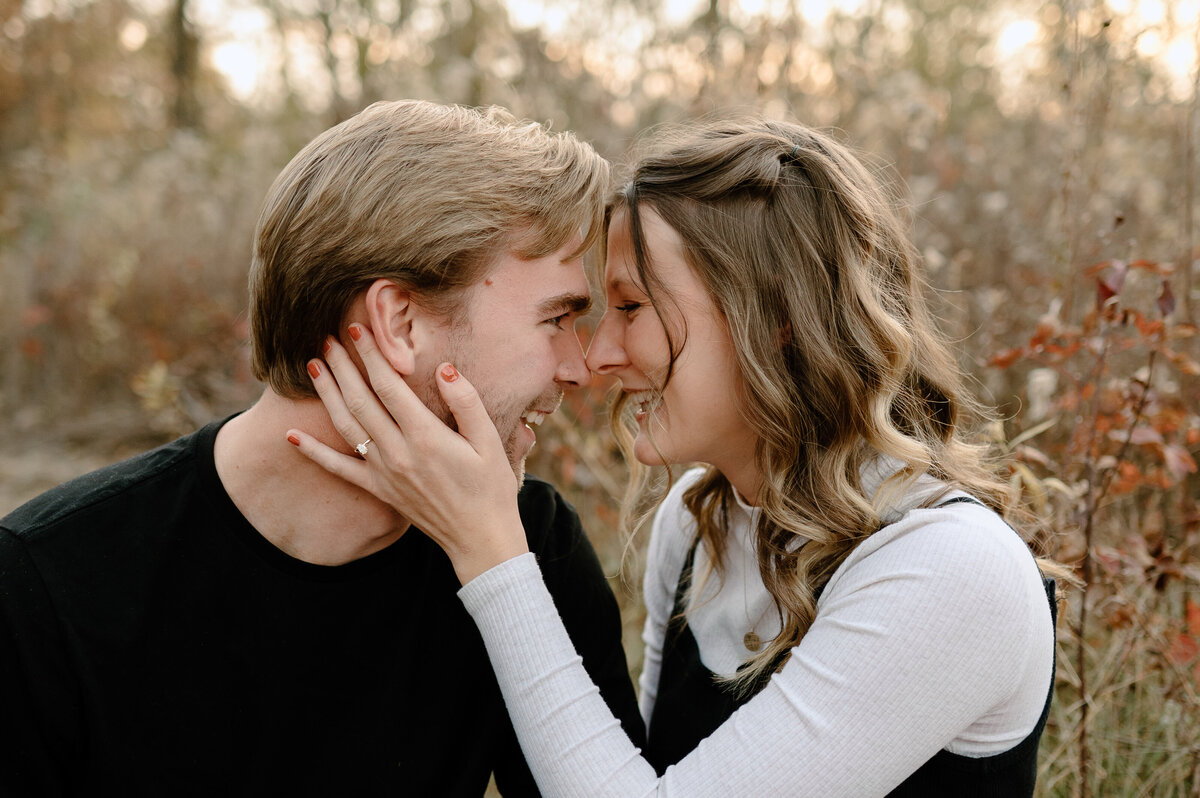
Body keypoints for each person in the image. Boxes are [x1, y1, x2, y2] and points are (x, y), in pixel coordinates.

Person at [293, 117, 1064, 797]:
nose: (596, 357)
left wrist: (490, 548)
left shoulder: (951, 570)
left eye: (631, 308)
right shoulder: (698, 525)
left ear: (775, 321)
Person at [0, 100, 644, 796]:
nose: (580, 367)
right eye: (556, 318)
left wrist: (499, 568)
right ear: (399, 321)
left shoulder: (524, 551)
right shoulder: (44, 586)